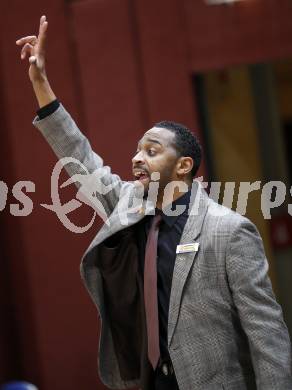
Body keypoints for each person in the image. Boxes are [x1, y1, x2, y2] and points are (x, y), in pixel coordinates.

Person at [16, 16, 292, 390]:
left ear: (183, 166)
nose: (137, 159)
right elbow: (79, 157)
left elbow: (266, 332)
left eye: (151, 150)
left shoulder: (229, 230)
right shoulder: (128, 204)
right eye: (136, 150)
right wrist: (41, 83)